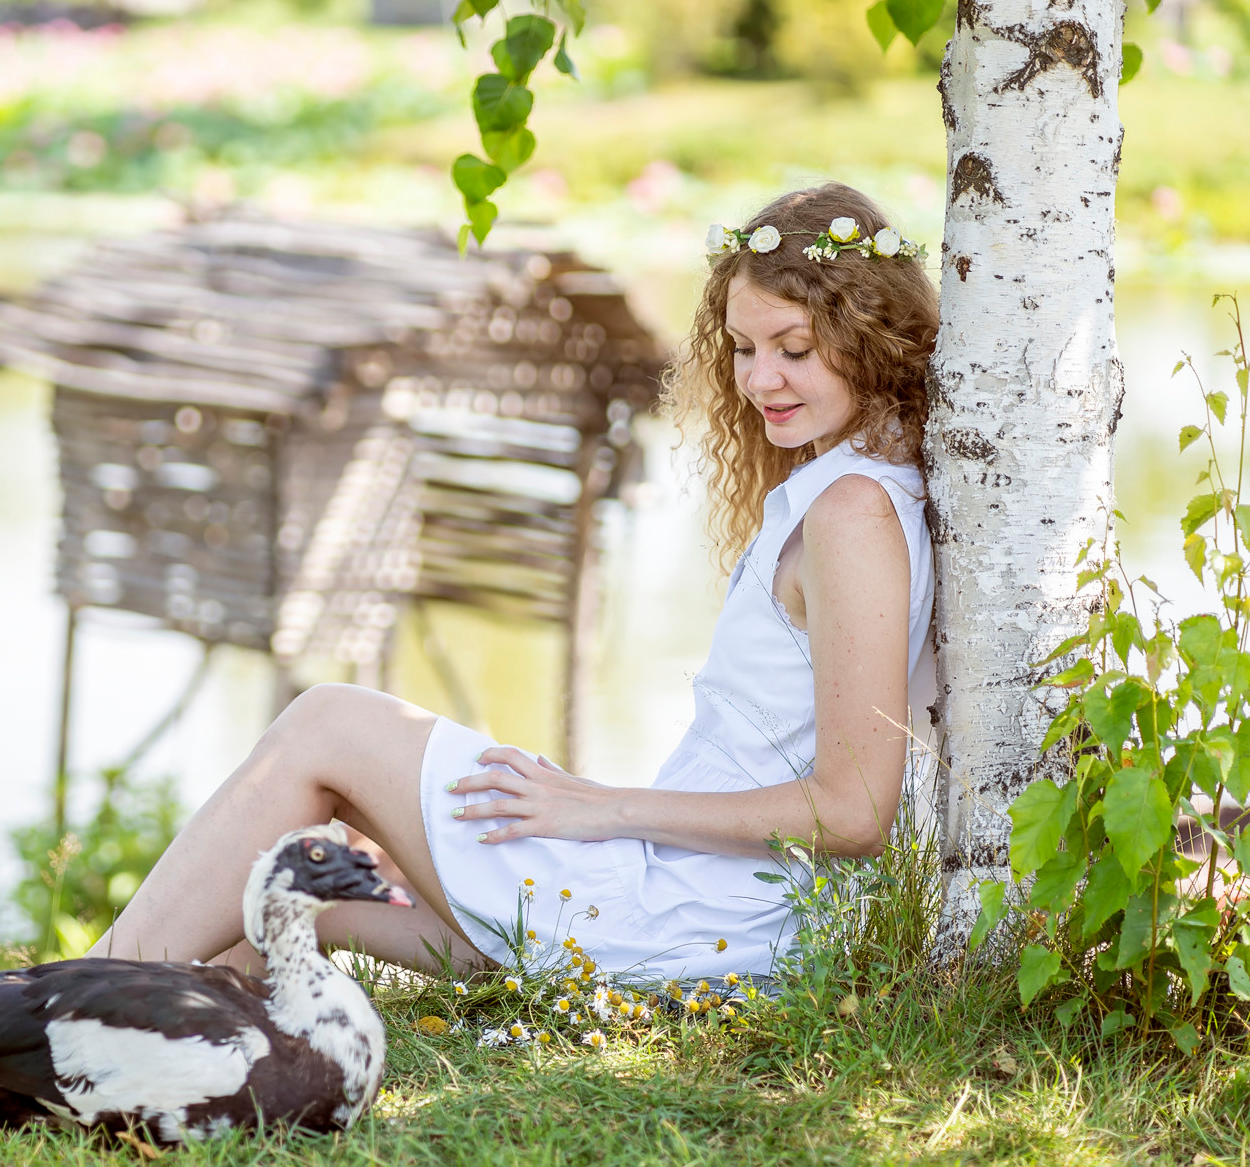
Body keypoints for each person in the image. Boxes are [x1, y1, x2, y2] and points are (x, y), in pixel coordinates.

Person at [87, 182, 940, 979]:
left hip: (707, 913)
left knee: (328, 720)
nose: (759, 380)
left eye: (794, 348)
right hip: (695, 897)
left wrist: (601, 807)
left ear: (874, 338)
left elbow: (857, 810)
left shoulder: (854, 511)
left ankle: (52, 1006)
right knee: (299, 876)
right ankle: (87, 1060)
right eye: (744, 349)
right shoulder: (852, 486)